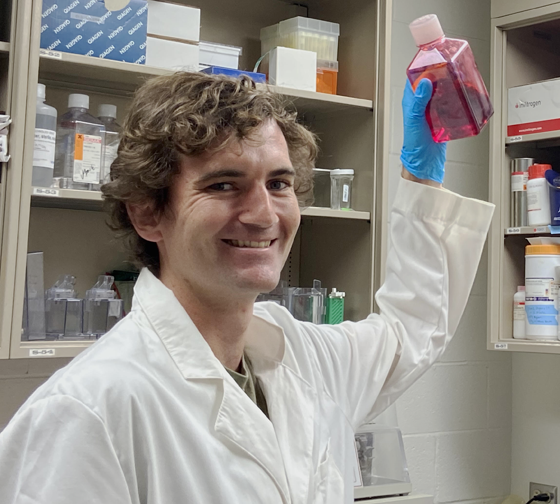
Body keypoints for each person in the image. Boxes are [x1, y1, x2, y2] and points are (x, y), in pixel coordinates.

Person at [0, 73, 493, 504]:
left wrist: (419, 179)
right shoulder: (87, 410)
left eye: (278, 184)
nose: (263, 215)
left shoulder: (302, 356)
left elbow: (411, 330)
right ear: (148, 212)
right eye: (223, 185)